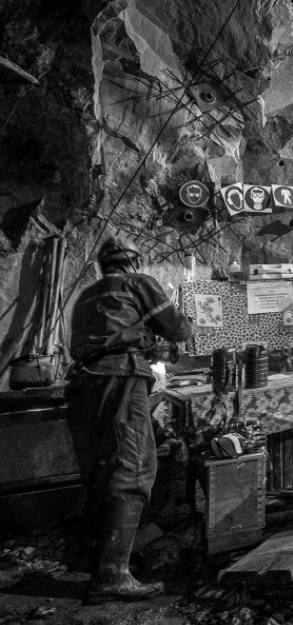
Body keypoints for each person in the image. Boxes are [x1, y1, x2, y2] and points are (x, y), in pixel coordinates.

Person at [66, 236, 194, 604]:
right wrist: (177, 328)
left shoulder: (85, 296)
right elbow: (179, 329)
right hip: (120, 377)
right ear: (133, 261)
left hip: (84, 384)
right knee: (133, 465)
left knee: (103, 467)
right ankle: (112, 576)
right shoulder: (137, 283)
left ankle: (100, 558)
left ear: (101, 265)